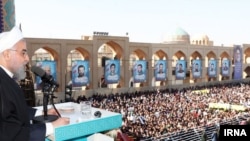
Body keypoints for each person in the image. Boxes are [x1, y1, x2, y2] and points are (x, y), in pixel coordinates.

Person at [0, 26, 69, 141]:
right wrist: (52, 127)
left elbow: (13, 110)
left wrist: (39, 112)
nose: (27, 59)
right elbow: (8, 133)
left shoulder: (6, 78)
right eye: (23, 53)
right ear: (7, 54)